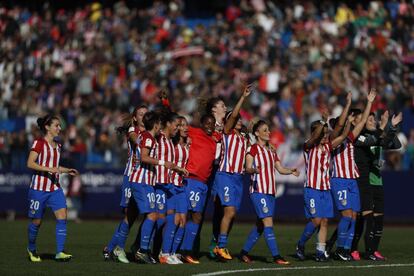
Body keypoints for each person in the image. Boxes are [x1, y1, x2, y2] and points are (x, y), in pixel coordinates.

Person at [295, 110, 354, 262]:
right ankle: (300, 244)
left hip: (325, 189)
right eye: (323, 132)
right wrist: (323, 122)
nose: (325, 135)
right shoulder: (308, 146)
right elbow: (314, 137)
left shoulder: (327, 147)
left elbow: (341, 137)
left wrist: (348, 123)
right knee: (316, 220)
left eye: (326, 132)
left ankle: (320, 252)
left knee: (325, 221)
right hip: (312, 188)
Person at [239, 120, 300, 264]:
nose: (269, 133)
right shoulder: (253, 149)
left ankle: (243, 253)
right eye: (265, 130)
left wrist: (291, 170)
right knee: (268, 222)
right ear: (256, 133)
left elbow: (280, 169)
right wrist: (253, 170)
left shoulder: (272, 151)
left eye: (268, 130)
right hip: (258, 190)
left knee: (260, 225)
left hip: (270, 192)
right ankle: (277, 256)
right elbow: (247, 167)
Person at [327, 90, 377, 261]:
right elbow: (341, 128)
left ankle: (346, 249)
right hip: (339, 180)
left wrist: (369, 102)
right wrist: (347, 107)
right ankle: (340, 248)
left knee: (354, 216)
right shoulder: (332, 141)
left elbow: (362, 121)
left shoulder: (349, 139)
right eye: (338, 125)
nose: (341, 126)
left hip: (351, 181)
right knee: (347, 215)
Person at [26, 114, 79, 262]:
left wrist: (67, 170)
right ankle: (31, 249)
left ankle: (60, 252)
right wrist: (49, 168)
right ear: (47, 127)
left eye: (60, 125)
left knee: (62, 217)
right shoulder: (39, 143)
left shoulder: (58, 145)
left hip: (54, 188)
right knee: (37, 221)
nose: (59, 128)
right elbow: (30, 163)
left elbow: (55, 167)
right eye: (56, 125)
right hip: (38, 188)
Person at [351, 110, 402, 261]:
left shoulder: (378, 137)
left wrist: (391, 127)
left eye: (374, 119)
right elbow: (373, 141)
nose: (373, 121)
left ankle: (374, 250)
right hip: (366, 182)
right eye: (370, 119)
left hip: (377, 181)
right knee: (364, 219)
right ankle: (354, 248)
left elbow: (396, 144)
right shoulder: (363, 137)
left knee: (378, 219)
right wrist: (383, 129)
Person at [103, 105, 147, 263]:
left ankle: (111, 248)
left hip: (145, 178)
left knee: (137, 216)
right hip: (131, 176)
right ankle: (116, 248)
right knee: (130, 215)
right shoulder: (133, 131)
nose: (144, 116)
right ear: (135, 118)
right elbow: (138, 141)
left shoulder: (151, 132)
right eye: (141, 114)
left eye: (146, 114)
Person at [129, 111, 175, 264]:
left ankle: (142, 249)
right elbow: (143, 157)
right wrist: (163, 163)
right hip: (141, 181)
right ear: (156, 125)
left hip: (147, 182)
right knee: (152, 215)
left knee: (153, 216)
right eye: (159, 123)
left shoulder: (148, 137)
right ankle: (142, 250)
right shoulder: (148, 137)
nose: (161, 125)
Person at [212, 84, 252, 260]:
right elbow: (234, 114)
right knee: (229, 212)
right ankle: (220, 246)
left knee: (232, 213)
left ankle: (220, 245)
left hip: (238, 178)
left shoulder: (244, 138)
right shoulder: (227, 133)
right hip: (225, 176)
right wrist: (242, 98)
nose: (239, 120)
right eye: (236, 119)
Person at [179, 114, 218, 264]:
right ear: (201, 123)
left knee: (195, 217)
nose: (210, 125)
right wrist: (166, 103)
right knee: (192, 216)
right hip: (192, 180)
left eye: (212, 123)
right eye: (207, 122)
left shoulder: (214, 138)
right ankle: (184, 251)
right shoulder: (194, 132)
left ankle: (182, 250)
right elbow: (177, 124)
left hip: (203, 183)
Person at [154, 110, 188, 264]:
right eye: (176, 124)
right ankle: (148, 250)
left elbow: (169, 162)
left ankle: (166, 253)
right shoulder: (159, 137)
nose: (178, 127)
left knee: (173, 219)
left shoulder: (169, 140)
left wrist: (178, 169)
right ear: (168, 124)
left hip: (169, 184)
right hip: (159, 184)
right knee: (161, 220)